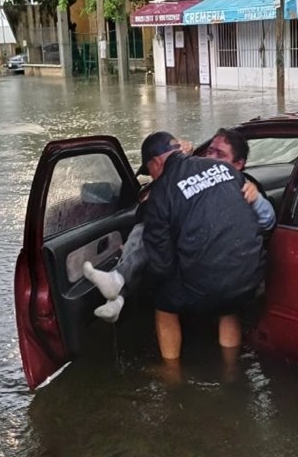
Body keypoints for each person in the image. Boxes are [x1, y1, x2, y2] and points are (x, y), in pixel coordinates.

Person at [84, 128, 274, 322]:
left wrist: (257, 200)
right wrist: (183, 159)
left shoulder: (243, 185)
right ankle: (118, 294)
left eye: (221, 154)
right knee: (149, 236)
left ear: (239, 164)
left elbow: (268, 223)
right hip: (232, 271)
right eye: (209, 152)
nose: (212, 158)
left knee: (162, 287)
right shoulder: (198, 175)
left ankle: (120, 284)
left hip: (223, 270)